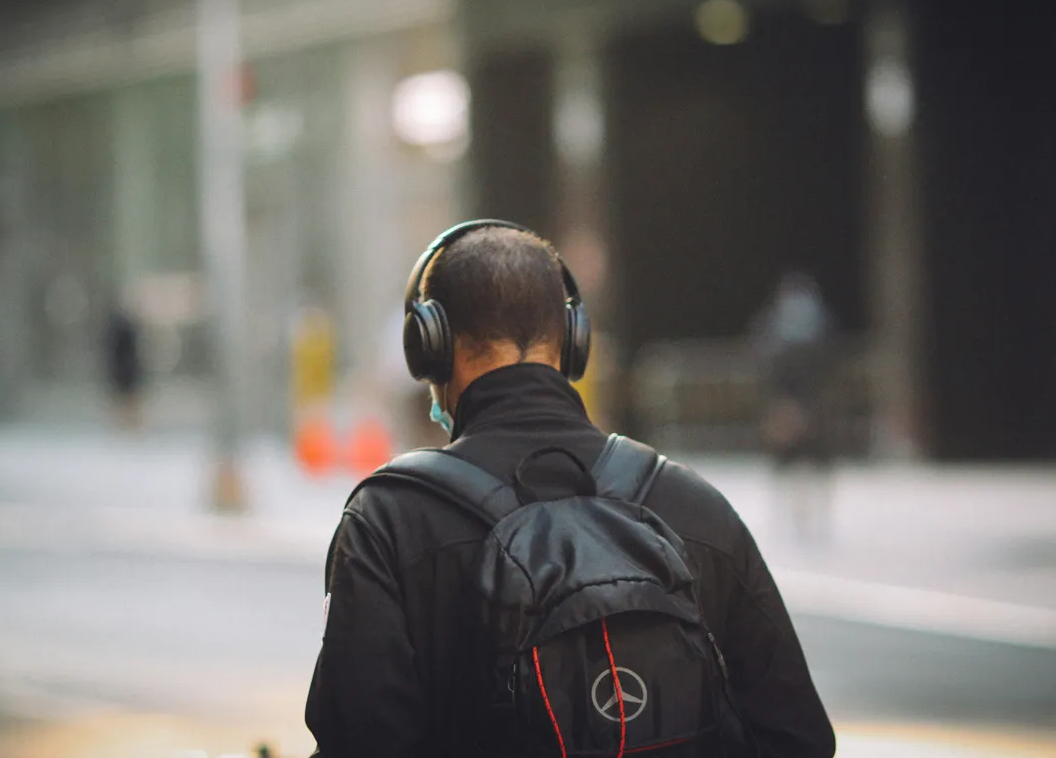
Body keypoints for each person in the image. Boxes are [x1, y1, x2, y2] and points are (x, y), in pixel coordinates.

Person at [306, 220, 834, 758]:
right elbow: (799, 739)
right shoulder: (692, 506)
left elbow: (356, 741)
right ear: (574, 340)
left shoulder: (390, 521)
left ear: (431, 344)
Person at [749, 272, 836, 542]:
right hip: (801, 405)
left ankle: (805, 517)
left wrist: (786, 406)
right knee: (798, 462)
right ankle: (797, 517)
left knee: (803, 462)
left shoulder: (780, 328)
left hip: (800, 405)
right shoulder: (796, 327)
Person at [105, 303, 143, 428]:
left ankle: (127, 422)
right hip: (126, 369)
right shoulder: (126, 330)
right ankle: (128, 422)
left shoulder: (117, 330)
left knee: (126, 397)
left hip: (124, 369)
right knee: (127, 397)